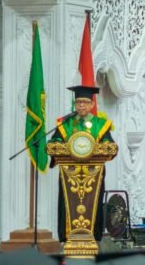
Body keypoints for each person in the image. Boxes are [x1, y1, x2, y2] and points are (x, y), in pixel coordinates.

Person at [49, 85, 114, 243]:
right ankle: (67, 238)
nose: (81, 105)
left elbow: (109, 145)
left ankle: (93, 237)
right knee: (68, 204)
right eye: (78, 102)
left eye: (85, 102)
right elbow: (53, 143)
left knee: (93, 204)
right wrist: (60, 147)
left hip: (93, 174)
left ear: (92, 105)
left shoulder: (101, 124)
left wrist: (97, 149)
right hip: (69, 173)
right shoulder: (66, 123)